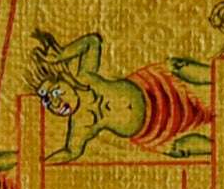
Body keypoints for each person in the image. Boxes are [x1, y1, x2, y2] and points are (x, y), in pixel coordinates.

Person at [30, 29, 211, 163]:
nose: (55, 102)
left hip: (155, 86)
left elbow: (92, 41)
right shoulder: (80, 126)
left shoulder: (86, 76)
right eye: (47, 101)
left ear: (63, 78)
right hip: (153, 132)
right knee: (178, 149)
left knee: (176, 66)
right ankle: (218, 147)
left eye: (55, 92)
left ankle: (218, 76)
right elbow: (71, 152)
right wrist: (41, 162)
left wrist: (62, 55)